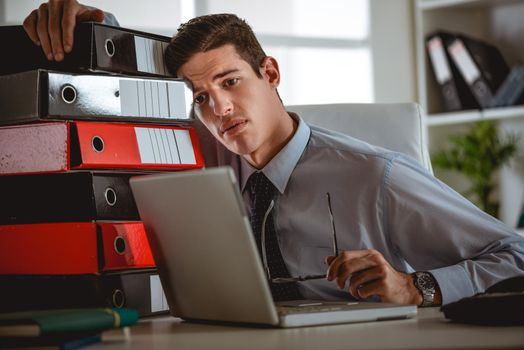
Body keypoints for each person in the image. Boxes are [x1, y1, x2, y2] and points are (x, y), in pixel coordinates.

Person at [24, 0, 524, 307]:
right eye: (200, 97)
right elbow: (124, 105)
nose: (218, 108)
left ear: (271, 73)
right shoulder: (203, 156)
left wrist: (419, 286)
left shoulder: (377, 176)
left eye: (230, 81)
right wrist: (93, 29)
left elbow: (515, 254)